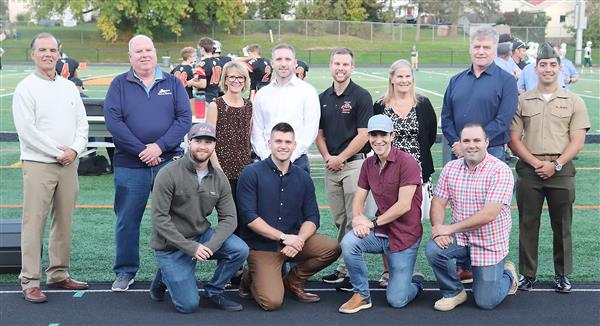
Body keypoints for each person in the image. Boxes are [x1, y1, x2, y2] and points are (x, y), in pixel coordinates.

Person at [104, 34, 192, 292]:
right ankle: (126, 271)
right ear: (130, 56)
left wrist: (159, 147)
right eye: (138, 51)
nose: (144, 55)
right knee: (127, 219)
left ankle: (170, 272)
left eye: (148, 50)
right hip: (130, 164)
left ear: (155, 53)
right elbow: (114, 123)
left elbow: (184, 119)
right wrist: (142, 150)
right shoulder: (119, 84)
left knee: (173, 218)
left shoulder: (173, 83)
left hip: (167, 162)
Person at [12, 32, 90, 303]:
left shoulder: (68, 87)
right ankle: (30, 280)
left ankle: (58, 272)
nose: (48, 54)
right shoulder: (25, 88)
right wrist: (58, 153)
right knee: (34, 223)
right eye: (42, 49)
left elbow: (82, 123)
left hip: (69, 163)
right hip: (39, 164)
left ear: (59, 53)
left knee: (64, 221)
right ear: (32, 54)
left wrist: (75, 150)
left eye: (53, 50)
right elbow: (27, 131)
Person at [508, 43, 590, 293]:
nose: (548, 69)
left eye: (553, 65)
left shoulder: (573, 100)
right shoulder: (522, 100)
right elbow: (513, 139)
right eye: (543, 64)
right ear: (536, 68)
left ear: (560, 68)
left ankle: (562, 274)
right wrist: (535, 164)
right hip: (529, 170)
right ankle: (528, 274)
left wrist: (555, 164)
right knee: (528, 223)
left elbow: (577, 141)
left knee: (562, 224)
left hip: (561, 169)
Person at [237, 123, 341, 311]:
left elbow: (313, 217)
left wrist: (299, 240)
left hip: (294, 242)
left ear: (294, 145)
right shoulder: (251, 173)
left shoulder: (302, 177)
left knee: (332, 248)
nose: (283, 146)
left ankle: (292, 281)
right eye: (278, 141)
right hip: (263, 247)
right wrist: (284, 238)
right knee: (272, 302)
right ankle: (250, 277)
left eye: (287, 142)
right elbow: (249, 217)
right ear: (269, 143)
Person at [149, 123, 249, 313]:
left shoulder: (219, 178)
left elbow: (230, 219)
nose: (203, 146)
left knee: (239, 249)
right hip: (170, 245)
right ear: (188, 142)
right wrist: (191, 248)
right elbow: (159, 219)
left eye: (208, 142)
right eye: (198, 141)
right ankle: (163, 276)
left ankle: (214, 291)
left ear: (214, 146)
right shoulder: (168, 173)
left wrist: (209, 247)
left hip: (201, 236)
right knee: (188, 306)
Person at [425, 123, 518, 311]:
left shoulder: (500, 170)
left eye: (477, 140)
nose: (471, 145)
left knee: (486, 301)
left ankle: (508, 273)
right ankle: (454, 291)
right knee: (434, 249)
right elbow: (438, 202)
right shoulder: (451, 168)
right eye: (466, 141)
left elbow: (489, 214)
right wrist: (438, 229)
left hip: (489, 241)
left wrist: (448, 228)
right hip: (461, 237)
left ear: (486, 142)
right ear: (459, 143)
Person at [338, 114, 424, 314]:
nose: (378, 140)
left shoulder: (407, 162)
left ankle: (416, 281)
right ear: (368, 137)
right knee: (349, 242)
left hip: (405, 235)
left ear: (392, 136)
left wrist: (372, 223)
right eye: (373, 135)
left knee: (397, 299)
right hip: (382, 232)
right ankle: (362, 294)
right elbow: (358, 198)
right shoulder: (368, 164)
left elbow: (403, 205)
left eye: (383, 134)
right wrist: (359, 218)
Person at [373, 59, 437, 287]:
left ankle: (407, 266)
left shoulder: (423, 104)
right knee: (386, 218)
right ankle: (388, 270)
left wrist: (411, 161)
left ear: (412, 78)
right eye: (399, 76)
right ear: (391, 78)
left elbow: (429, 137)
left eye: (407, 76)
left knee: (411, 220)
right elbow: (375, 138)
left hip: (416, 173)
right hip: (386, 172)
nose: (404, 80)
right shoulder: (380, 105)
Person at [316, 48, 373, 289]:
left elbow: (364, 135)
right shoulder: (323, 97)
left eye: (345, 64)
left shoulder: (361, 96)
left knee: (354, 218)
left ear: (353, 67)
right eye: (337, 63)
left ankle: (349, 271)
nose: (341, 68)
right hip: (332, 166)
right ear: (331, 66)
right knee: (340, 219)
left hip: (354, 165)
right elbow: (318, 134)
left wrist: (341, 157)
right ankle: (345, 266)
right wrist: (329, 156)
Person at [441, 25, 518, 163]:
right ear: (470, 49)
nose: (480, 52)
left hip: (492, 151)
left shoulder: (507, 81)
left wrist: (473, 143)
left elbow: (503, 120)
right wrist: (457, 143)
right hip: (459, 151)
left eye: (486, 47)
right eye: (477, 47)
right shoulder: (456, 81)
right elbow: (446, 118)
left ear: (494, 50)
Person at [251, 44, 320, 174]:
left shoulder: (307, 91)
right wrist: (268, 159)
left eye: (287, 59)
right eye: (279, 59)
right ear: (272, 63)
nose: (283, 64)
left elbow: (310, 130)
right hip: (266, 161)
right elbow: (257, 131)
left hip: (297, 161)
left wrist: (288, 158)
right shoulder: (262, 94)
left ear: (294, 62)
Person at [206, 61, 253, 228]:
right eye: (232, 77)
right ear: (225, 80)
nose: (236, 80)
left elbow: (247, 138)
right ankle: (230, 252)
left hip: (244, 171)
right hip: (223, 171)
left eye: (240, 77)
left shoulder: (249, 106)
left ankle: (244, 251)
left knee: (245, 216)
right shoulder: (216, 105)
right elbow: (208, 141)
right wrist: (218, 170)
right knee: (228, 218)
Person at [193, 37, 222, 103]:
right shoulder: (218, 62)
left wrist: (191, 83)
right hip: (216, 95)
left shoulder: (202, 64)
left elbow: (202, 85)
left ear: (202, 49)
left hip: (204, 98)